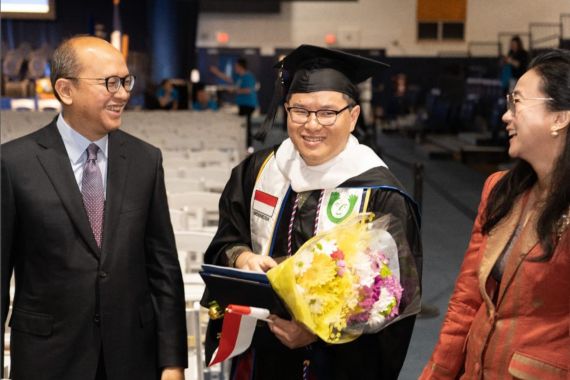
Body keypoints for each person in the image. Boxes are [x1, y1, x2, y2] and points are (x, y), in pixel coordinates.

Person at [201, 45, 422, 380]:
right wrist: (241, 257)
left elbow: (393, 301)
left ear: (353, 116)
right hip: (263, 355)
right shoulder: (258, 171)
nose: (312, 125)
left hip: (338, 365)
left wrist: (319, 333)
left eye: (327, 113)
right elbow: (224, 242)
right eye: (300, 111)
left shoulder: (379, 193)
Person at [1, 36, 188, 380]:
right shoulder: (14, 164)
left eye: (125, 81)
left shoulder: (145, 160)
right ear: (66, 90)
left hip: (132, 356)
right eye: (110, 83)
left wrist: (173, 362)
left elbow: (164, 268)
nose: (123, 93)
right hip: (48, 358)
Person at [420, 49, 570, 379]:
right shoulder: (500, 189)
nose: (506, 115)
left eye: (517, 102)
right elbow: (467, 301)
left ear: (560, 117)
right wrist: (438, 373)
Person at [210, 58, 258, 146]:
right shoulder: (239, 77)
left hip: (248, 104)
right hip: (242, 104)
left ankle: (248, 145)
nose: (235, 68)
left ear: (240, 66)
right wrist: (216, 72)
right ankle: (245, 143)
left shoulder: (248, 76)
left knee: (246, 126)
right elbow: (227, 78)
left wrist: (234, 90)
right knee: (243, 125)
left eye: (236, 66)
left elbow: (248, 90)